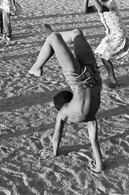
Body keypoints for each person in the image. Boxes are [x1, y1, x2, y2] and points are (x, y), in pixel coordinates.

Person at [28, 24, 104, 173]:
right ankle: (38, 62)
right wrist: (54, 151)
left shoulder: (89, 116)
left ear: (61, 106)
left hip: (93, 76)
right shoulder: (66, 112)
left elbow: (93, 140)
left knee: (73, 34)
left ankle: (37, 65)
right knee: (63, 35)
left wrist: (55, 152)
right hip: (80, 80)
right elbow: (57, 136)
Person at [82, 0, 129, 89]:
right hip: (110, 35)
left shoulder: (110, 3)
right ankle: (103, 76)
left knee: (105, 58)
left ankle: (114, 81)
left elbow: (101, 9)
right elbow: (84, 11)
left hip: (118, 34)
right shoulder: (98, 3)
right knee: (100, 54)